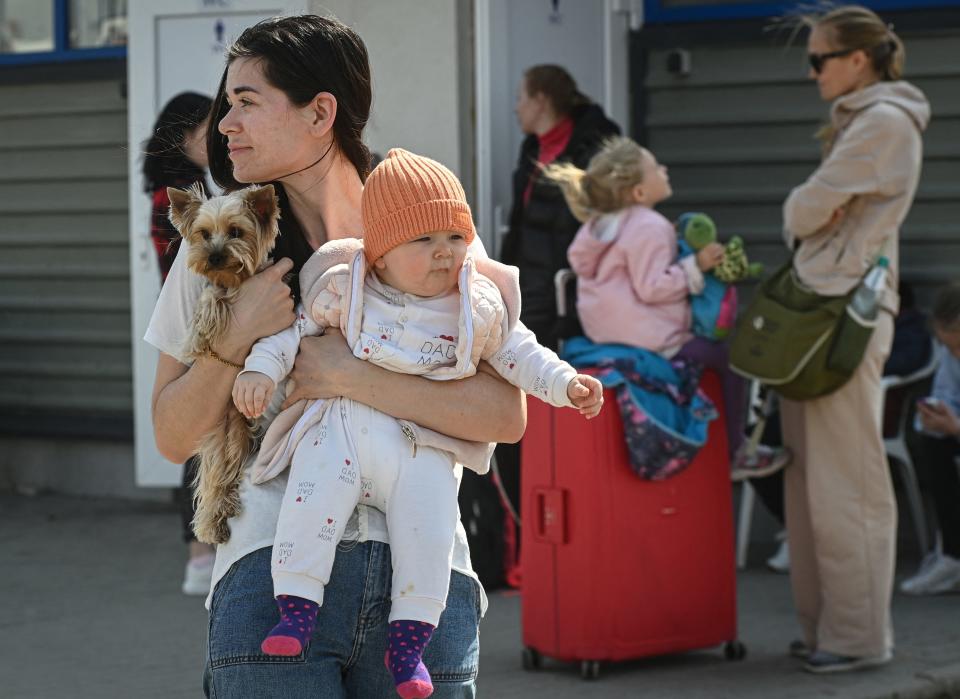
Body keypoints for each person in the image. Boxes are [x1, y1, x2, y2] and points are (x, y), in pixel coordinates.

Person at [146, 15, 526, 698]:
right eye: (226, 102)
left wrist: (349, 375)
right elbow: (172, 434)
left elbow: (505, 412)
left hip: (425, 586)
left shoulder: (431, 228)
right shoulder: (221, 247)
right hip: (271, 578)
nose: (224, 123)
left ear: (322, 112)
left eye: (246, 101)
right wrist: (236, 340)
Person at [233, 148, 602, 695]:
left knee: (428, 534)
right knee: (310, 501)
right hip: (344, 433)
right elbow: (292, 336)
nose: (444, 254)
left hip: (419, 447)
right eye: (423, 240)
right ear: (379, 254)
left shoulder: (476, 305)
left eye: (455, 237)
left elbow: (521, 353)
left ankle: (409, 646)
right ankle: (296, 607)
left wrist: (566, 385)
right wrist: (260, 370)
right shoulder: (346, 287)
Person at [778, 5, 929, 673]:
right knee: (812, 474)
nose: (813, 73)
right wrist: (813, 205)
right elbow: (814, 207)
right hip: (824, 312)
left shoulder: (883, 124)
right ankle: (825, 627)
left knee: (849, 477)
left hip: (847, 314)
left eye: (819, 59)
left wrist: (808, 205)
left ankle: (857, 635)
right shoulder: (864, 124)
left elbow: (803, 208)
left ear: (858, 60)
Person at [549, 136, 789, 478]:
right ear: (639, 193)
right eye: (655, 168)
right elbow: (653, 288)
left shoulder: (598, 226)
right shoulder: (650, 225)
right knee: (725, 361)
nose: (664, 169)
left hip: (604, 334)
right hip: (650, 337)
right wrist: (698, 265)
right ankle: (738, 451)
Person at [141, 90, 215, 596]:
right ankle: (198, 553)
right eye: (209, 127)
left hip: (196, 326)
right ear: (185, 135)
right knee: (196, 439)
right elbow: (190, 270)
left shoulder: (188, 188)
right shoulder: (176, 197)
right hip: (195, 330)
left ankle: (202, 549)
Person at [500, 64, 620, 350]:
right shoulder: (531, 148)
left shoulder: (594, 147)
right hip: (530, 284)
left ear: (540, 100)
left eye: (521, 98)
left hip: (570, 288)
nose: (517, 108)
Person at [900, 282, 960, 595]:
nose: (954, 354)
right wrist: (935, 417)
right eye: (948, 347)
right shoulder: (951, 356)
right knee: (933, 442)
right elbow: (945, 393)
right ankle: (952, 556)